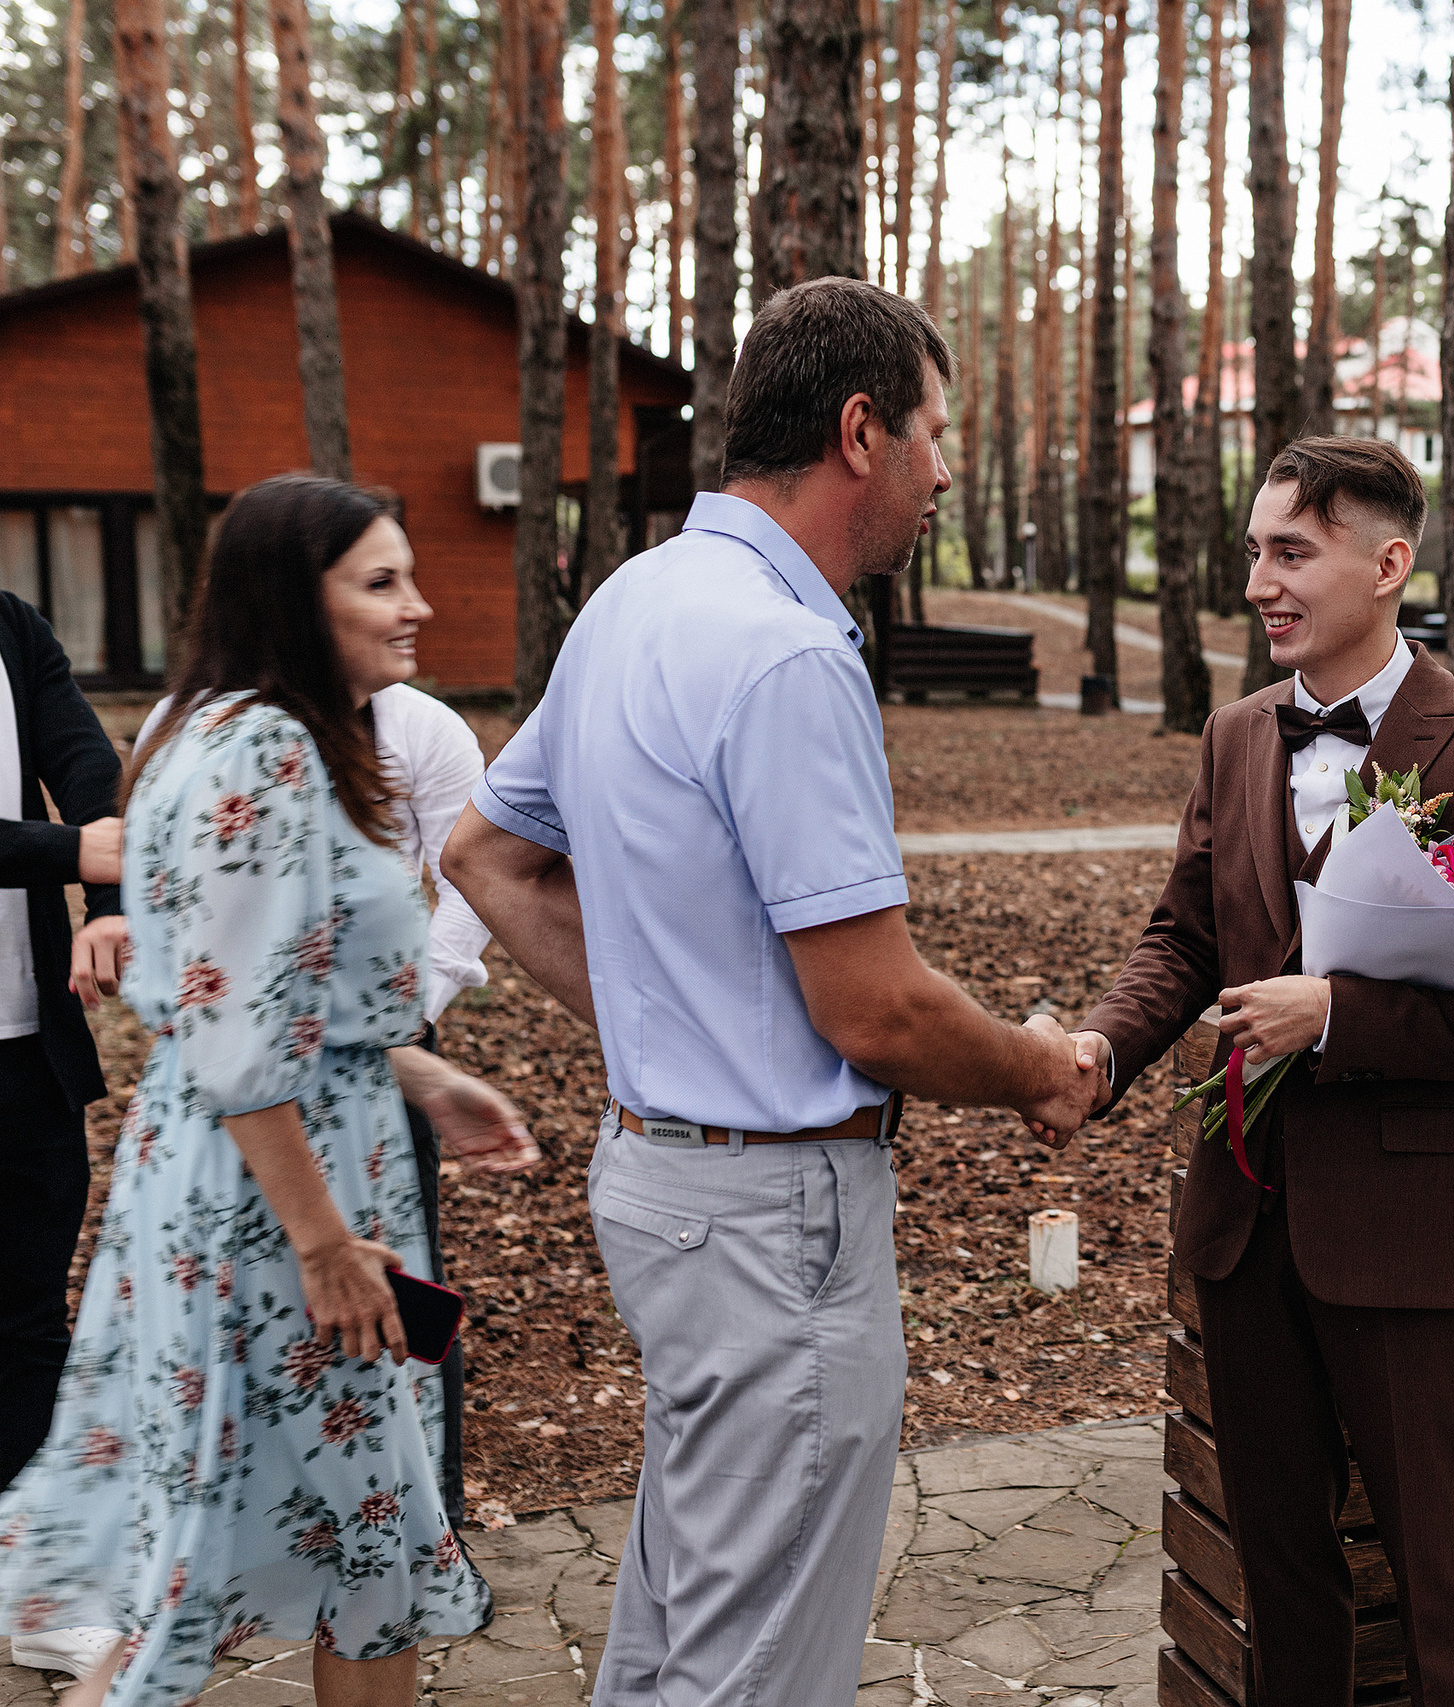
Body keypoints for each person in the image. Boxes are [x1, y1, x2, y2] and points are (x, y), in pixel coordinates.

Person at [441, 276, 1101, 1707]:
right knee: (757, 1664)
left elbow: (485, 857)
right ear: (861, 432)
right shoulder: (789, 649)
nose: (946, 470)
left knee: (682, 1617)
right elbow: (877, 1009)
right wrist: (1040, 1068)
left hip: (663, 1188)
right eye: (935, 432)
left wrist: (671, 1038)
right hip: (773, 1225)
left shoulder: (638, 601)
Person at [0, 474, 541, 1707]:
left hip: (273, 1173)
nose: (419, 608)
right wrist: (326, 1245)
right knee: (238, 1566)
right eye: (380, 582)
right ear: (296, 600)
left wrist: (417, 1070)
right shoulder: (262, 752)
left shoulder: (232, 727)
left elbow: (249, 985)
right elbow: (239, 1042)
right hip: (270, 1212)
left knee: (364, 1548)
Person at [1069, 436, 1454, 1704]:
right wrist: (1102, 1045)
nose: (1259, 582)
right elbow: (1183, 932)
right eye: (1255, 553)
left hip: (1411, 1229)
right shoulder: (1236, 735)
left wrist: (1339, 1014)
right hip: (1243, 1222)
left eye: (1291, 552)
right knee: (1280, 1564)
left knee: (1434, 1568)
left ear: (1387, 564)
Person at [118, 662, 495, 1522]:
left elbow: (469, 880)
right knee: (234, 1310)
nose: (415, 607)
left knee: (401, 1289)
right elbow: (165, 902)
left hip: (381, 1062)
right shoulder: (191, 732)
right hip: (225, 1085)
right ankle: (239, 1536)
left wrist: (405, 1017)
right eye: (378, 581)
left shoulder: (427, 728)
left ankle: (420, 1520)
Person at [0, 590, 131, 1687]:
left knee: (33, 1320)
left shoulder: (11, 624)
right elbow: (76, 835)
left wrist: (114, 891)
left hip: (25, 1050)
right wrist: (74, 853)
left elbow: (86, 758)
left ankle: (39, 1598)